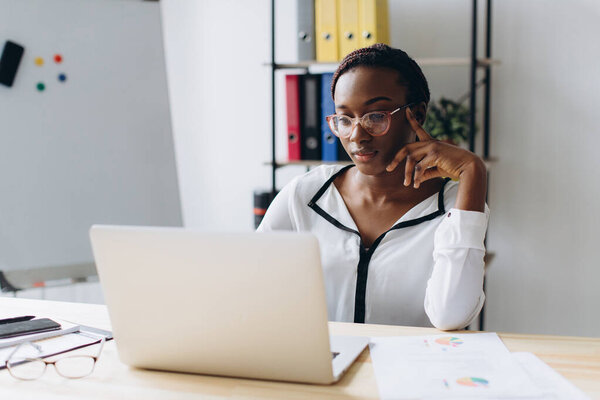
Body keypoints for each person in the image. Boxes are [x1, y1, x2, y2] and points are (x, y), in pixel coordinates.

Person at [258, 44, 489, 330]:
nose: (357, 135)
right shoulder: (306, 194)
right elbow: (253, 289)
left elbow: (450, 315)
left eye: (376, 117)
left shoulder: (454, 206)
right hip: (324, 369)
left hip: (411, 372)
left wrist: (472, 171)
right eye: (344, 119)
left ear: (416, 114)